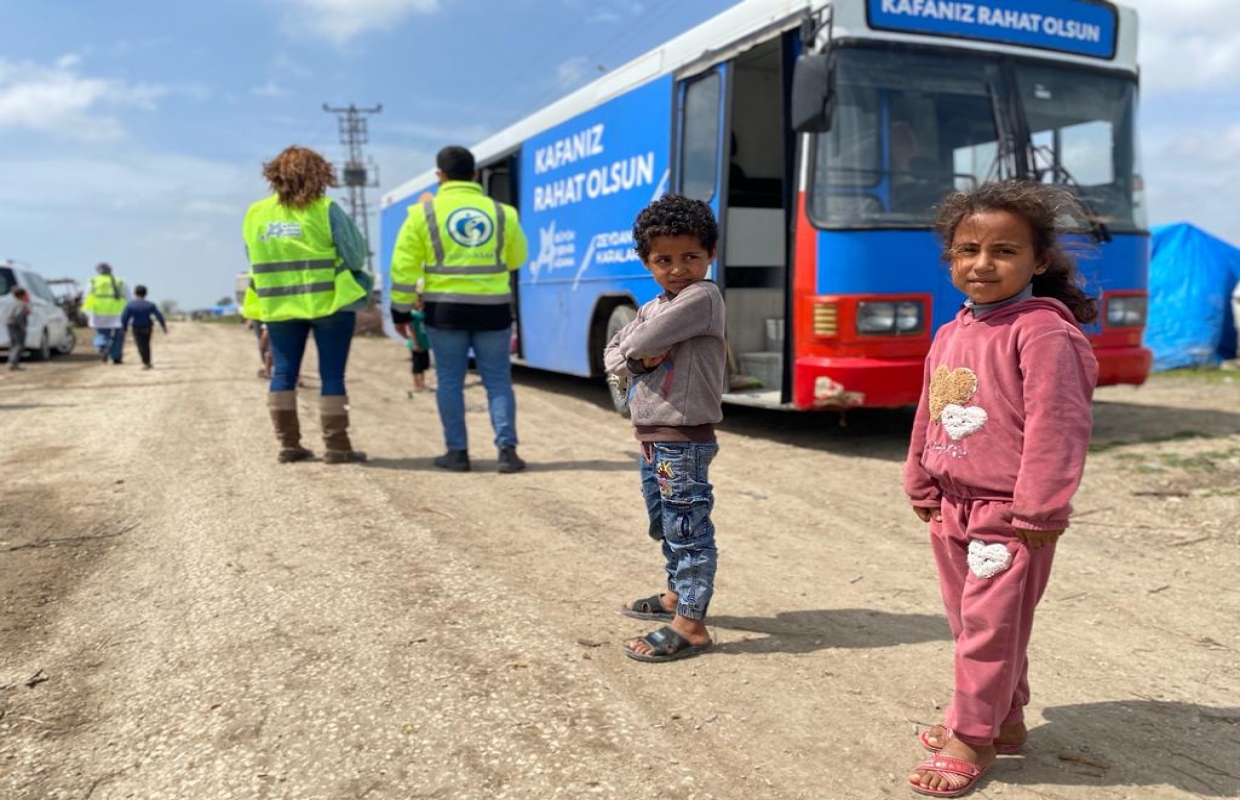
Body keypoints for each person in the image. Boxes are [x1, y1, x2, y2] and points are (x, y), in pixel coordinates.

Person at [903, 180, 1099, 797]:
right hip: (952, 506)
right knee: (974, 623)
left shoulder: (1043, 332)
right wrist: (921, 478)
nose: (982, 263)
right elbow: (930, 410)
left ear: (1038, 260)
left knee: (990, 627)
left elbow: (1058, 424)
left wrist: (1042, 506)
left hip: (1010, 514)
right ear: (951, 258)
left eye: (1004, 251)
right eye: (967, 249)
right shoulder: (951, 331)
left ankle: (972, 737)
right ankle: (1004, 720)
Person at [602, 195, 726, 663]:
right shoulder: (655, 304)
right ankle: (676, 595)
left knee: (688, 528)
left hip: (683, 438)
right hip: (653, 436)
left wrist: (632, 353)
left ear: (710, 254)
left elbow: (640, 343)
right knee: (665, 522)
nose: (678, 269)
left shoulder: (702, 297)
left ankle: (691, 625)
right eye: (664, 260)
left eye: (690, 256)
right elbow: (613, 355)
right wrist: (632, 357)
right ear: (646, 262)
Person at [390, 145, 530, 473]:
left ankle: (457, 452)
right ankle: (507, 452)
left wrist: (400, 312)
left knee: (450, 380)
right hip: (493, 310)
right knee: (497, 380)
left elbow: (403, 268)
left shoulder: (421, 214)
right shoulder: (503, 213)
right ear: (475, 174)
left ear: (439, 175)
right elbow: (517, 258)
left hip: (444, 312)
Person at [241, 145, 373, 464]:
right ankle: (337, 446)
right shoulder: (326, 209)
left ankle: (289, 444)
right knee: (331, 376)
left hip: (280, 307)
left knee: (283, 372)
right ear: (319, 174)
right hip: (330, 304)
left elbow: (252, 258)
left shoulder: (256, 213)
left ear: (274, 176)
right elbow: (356, 256)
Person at [82, 262, 128, 364]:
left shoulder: (93, 281)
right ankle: (116, 357)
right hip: (117, 313)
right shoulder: (120, 281)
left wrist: (87, 313)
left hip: (98, 312)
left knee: (102, 333)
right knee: (118, 336)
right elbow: (128, 297)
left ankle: (101, 347)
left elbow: (86, 298)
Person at [121, 285, 168, 370]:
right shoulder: (150, 305)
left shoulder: (130, 305)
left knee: (140, 346)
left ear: (135, 293)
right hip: (147, 327)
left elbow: (125, 318)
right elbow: (159, 316)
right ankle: (148, 362)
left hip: (136, 328)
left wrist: (124, 328)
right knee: (146, 345)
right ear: (145, 294)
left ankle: (145, 362)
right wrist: (163, 326)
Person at [405, 303, 432, 397]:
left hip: (424, 343)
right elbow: (412, 329)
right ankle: (416, 385)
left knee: (424, 365)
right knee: (416, 365)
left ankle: (422, 383)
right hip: (416, 343)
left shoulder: (424, 314)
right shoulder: (412, 315)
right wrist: (415, 343)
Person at [5, 286, 31, 371]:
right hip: (17, 325)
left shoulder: (14, 303)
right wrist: (22, 326)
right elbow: (18, 316)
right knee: (19, 345)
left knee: (13, 344)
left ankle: (11, 362)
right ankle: (13, 364)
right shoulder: (22, 304)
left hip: (10, 324)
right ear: (23, 295)